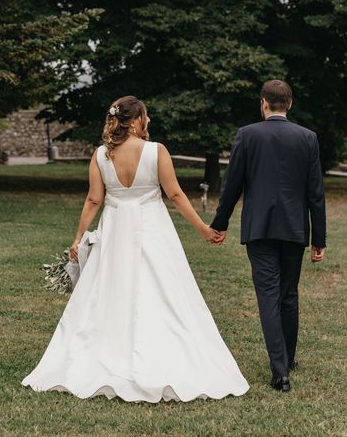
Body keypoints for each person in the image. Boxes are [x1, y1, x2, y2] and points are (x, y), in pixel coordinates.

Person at [22, 96, 249, 402]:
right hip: (152, 229)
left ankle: (106, 354)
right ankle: (164, 355)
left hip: (115, 229)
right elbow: (176, 194)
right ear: (136, 119)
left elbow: (93, 200)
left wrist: (78, 238)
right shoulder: (156, 151)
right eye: (147, 116)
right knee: (165, 289)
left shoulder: (101, 155)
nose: (150, 121)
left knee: (110, 290)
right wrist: (204, 230)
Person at [210, 80, 327, 392]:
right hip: (294, 229)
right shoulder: (308, 137)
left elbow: (231, 184)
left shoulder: (247, 135)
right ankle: (286, 360)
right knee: (288, 293)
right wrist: (319, 239)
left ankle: (281, 371)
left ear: (264, 103)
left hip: (259, 229)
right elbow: (316, 193)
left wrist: (220, 223)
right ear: (288, 105)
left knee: (268, 296)